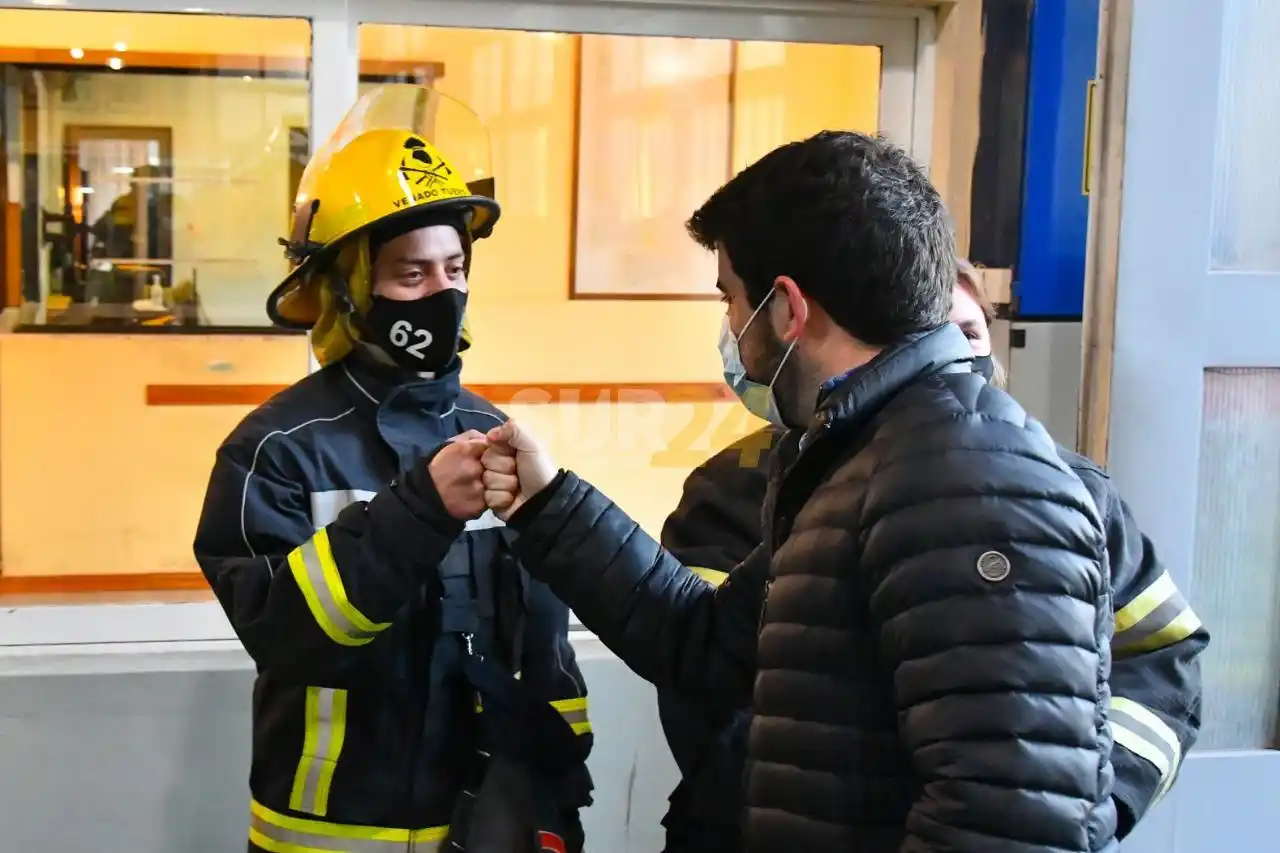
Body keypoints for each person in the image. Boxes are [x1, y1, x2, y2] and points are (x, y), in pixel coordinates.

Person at [478, 130, 1123, 852]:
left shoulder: (970, 481)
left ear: (786, 308)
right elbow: (709, 644)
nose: (730, 331)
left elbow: (1008, 820)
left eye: (729, 299)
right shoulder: (861, 462)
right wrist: (549, 502)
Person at [653, 258, 1208, 852]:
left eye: (968, 332)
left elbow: (1161, 655)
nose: (951, 351)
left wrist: (1096, 797)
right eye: (931, 332)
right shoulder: (738, 485)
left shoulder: (1067, 485)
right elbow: (706, 676)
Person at [193, 85, 592, 853]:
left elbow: (542, 636)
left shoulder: (494, 432)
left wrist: (555, 784)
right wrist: (418, 511)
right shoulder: (274, 450)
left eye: (456, 268)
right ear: (346, 288)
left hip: (485, 824)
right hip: (332, 832)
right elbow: (286, 633)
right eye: (412, 275)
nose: (444, 292)